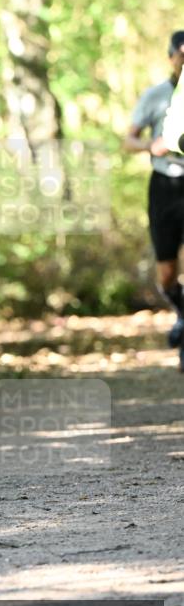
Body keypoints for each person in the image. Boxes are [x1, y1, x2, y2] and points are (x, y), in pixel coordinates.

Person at [125, 30, 184, 370]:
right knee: (167, 273)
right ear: (171, 57)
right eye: (181, 56)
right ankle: (181, 314)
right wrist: (151, 145)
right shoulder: (156, 96)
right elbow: (128, 140)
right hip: (163, 185)